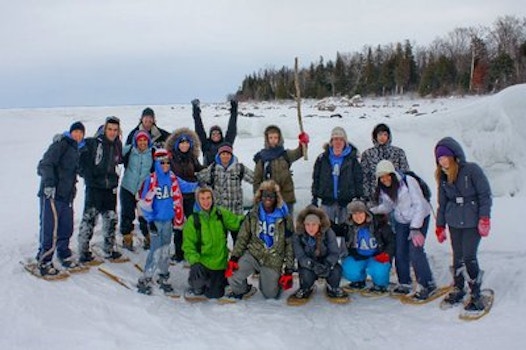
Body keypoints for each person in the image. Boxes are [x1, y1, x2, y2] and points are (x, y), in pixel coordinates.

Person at [434, 137, 492, 311]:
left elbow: (484, 195)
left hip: (471, 221)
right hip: (454, 222)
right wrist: (440, 225)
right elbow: (442, 204)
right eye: (439, 158)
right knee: (457, 256)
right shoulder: (443, 177)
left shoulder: (471, 170)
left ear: (454, 155)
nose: (442, 160)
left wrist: (484, 218)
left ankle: (476, 293)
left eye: (445, 156)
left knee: (469, 256)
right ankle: (459, 288)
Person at [370, 160, 436, 299]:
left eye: (387, 175)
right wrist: (372, 210)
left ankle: (427, 283)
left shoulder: (408, 181)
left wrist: (415, 227)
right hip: (402, 221)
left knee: (415, 249)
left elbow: (419, 204)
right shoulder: (384, 189)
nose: (385, 179)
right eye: (381, 177)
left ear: (392, 174)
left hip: (419, 218)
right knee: (400, 251)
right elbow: (388, 206)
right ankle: (404, 282)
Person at [225, 180, 295, 299]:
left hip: (273, 258)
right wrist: (234, 257)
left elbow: (289, 245)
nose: (268, 198)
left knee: (270, 295)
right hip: (254, 253)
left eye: (271, 195)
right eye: (265, 195)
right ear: (260, 196)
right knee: (232, 276)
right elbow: (243, 237)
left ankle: (276, 280)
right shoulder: (253, 214)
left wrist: (289, 270)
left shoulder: (284, 218)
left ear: (276, 197)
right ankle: (244, 290)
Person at [35, 122, 86, 275]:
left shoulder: (77, 149)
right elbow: (45, 164)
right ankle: (44, 259)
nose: (77, 135)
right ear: (70, 133)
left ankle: (63, 253)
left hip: (67, 195)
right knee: (50, 228)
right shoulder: (61, 144)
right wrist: (49, 184)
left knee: (66, 225)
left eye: (80, 133)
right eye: (75, 132)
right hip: (52, 193)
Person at [135, 149, 185, 295]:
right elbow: (144, 202)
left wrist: (199, 185)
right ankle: (147, 276)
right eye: (162, 162)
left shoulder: (172, 178)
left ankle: (163, 275)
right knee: (155, 250)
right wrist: (149, 221)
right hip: (156, 222)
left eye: (168, 162)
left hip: (168, 221)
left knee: (165, 249)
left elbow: (185, 186)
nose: (165, 165)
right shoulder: (151, 180)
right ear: (156, 162)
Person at [182, 186, 245, 299]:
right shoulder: (194, 220)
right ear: (198, 200)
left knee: (214, 295)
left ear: (213, 198)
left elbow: (236, 222)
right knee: (198, 283)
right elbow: (188, 245)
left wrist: (250, 217)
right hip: (202, 263)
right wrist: (194, 261)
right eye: (202, 199)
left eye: (208, 198)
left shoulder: (221, 214)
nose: (206, 202)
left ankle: (217, 282)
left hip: (219, 264)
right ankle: (196, 284)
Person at [78, 116, 123, 262]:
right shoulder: (93, 143)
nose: (112, 132)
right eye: (110, 129)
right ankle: (83, 251)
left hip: (110, 187)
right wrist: (88, 176)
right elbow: (79, 157)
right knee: (89, 218)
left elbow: (119, 162)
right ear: (105, 129)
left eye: (115, 130)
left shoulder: (118, 145)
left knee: (111, 219)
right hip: (94, 187)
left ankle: (109, 249)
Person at [196, 142, 254, 245]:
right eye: (223, 154)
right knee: (220, 240)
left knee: (239, 241)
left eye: (228, 154)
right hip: (220, 212)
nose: (225, 156)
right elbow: (200, 177)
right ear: (219, 155)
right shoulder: (213, 168)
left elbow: (254, 179)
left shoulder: (239, 168)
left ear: (231, 155)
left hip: (235, 212)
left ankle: (237, 260)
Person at [311, 126, 363, 238]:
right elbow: (316, 178)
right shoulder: (322, 158)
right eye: (335, 139)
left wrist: (359, 197)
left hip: (346, 200)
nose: (338, 142)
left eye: (341, 139)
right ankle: (327, 253)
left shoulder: (352, 159)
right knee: (325, 229)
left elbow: (358, 179)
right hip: (327, 200)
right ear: (331, 142)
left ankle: (345, 254)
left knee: (347, 230)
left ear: (345, 142)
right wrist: (315, 196)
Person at [165, 128, 204, 262]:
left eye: (187, 143)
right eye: (182, 143)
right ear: (177, 145)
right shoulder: (170, 159)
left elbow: (200, 171)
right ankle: (179, 252)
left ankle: (193, 250)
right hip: (177, 197)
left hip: (191, 198)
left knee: (194, 224)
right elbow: (173, 178)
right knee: (178, 225)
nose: (184, 145)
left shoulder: (193, 158)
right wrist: (193, 185)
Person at [292, 206, 347, 300]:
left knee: (336, 271)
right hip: (309, 264)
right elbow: (300, 256)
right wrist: (312, 265)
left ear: (319, 225)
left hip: (325, 262)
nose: (311, 228)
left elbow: (334, 252)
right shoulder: (298, 235)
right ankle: (306, 288)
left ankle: (332, 287)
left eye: (314, 224)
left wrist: (327, 264)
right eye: (307, 224)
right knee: (306, 274)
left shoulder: (329, 232)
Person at [341, 199, 395, 293]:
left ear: (366, 213)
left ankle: (380, 285)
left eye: (360, 213)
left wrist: (387, 254)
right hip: (359, 256)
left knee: (379, 270)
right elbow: (333, 228)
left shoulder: (379, 224)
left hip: (377, 256)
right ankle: (359, 281)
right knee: (348, 268)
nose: (358, 216)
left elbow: (392, 241)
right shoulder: (348, 226)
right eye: (355, 214)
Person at [253, 125, 309, 214]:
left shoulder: (285, 154)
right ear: (267, 139)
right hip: (268, 199)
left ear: (280, 138)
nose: (273, 140)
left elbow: (300, 152)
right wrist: (258, 196)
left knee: (287, 225)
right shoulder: (261, 157)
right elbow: (257, 179)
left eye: (275, 137)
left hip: (286, 197)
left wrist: (303, 142)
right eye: (270, 137)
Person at [120, 130, 154, 251]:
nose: (142, 142)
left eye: (145, 140)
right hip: (127, 187)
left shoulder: (152, 153)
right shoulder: (129, 150)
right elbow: (114, 154)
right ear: (136, 141)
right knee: (127, 214)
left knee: (144, 216)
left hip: (143, 190)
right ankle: (127, 239)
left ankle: (148, 238)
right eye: (140, 140)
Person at [361, 123, 410, 202]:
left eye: (385, 134)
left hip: (396, 197)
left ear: (389, 136)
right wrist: (366, 196)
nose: (382, 137)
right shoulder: (367, 154)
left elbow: (405, 173)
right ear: (375, 136)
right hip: (375, 197)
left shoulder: (398, 153)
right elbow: (365, 177)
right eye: (380, 134)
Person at [192, 98, 238, 166]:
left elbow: (232, 128)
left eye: (218, 133)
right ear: (210, 135)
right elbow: (199, 129)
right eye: (213, 133)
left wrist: (234, 109)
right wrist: (196, 111)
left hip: (224, 172)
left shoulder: (226, 143)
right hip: (208, 172)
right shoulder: (205, 144)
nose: (216, 135)